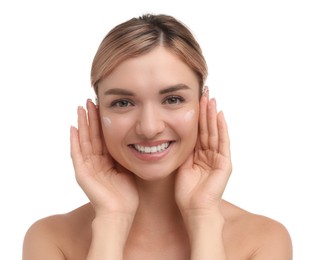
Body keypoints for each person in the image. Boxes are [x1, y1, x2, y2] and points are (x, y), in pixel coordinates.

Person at [22, 14, 292, 259]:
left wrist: (203, 216)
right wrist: (112, 220)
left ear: (202, 105)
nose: (149, 128)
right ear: (97, 111)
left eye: (173, 99)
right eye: (123, 103)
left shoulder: (263, 240)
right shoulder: (51, 239)